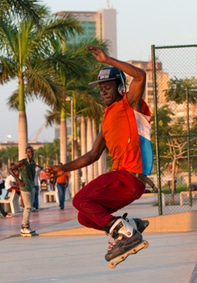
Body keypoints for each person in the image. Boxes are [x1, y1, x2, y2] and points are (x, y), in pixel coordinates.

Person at [46, 46, 155, 264]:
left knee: (80, 199)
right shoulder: (106, 119)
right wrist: (64, 168)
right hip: (125, 184)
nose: (103, 91)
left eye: (108, 87)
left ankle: (126, 233)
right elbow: (93, 154)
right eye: (101, 88)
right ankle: (129, 225)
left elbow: (140, 75)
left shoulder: (129, 104)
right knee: (83, 215)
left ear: (120, 87)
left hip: (128, 176)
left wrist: (108, 59)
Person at [9, 146, 37, 236]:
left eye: (32, 152)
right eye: (28, 152)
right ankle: (24, 227)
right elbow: (10, 169)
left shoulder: (33, 163)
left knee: (29, 207)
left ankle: (27, 226)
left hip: (31, 186)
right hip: (24, 187)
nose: (30, 153)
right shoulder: (22, 162)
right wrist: (19, 180)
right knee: (28, 207)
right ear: (26, 153)